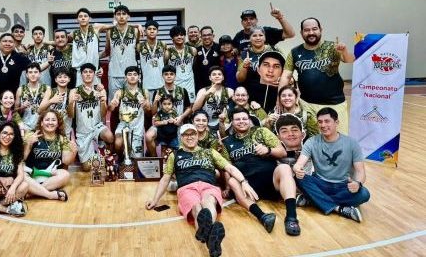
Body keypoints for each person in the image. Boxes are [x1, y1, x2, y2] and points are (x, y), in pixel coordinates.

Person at [145, 123, 257, 257]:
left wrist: (244, 182)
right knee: (196, 207)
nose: (189, 137)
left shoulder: (210, 152)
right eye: (186, 135)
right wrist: (155, 200)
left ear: (197, 136)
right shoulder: (175, 155)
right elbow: (166, 178)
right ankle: (212, 241)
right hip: (187, 187)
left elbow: (229, 168)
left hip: (208, 185)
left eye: (192, 134)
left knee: (208, 202)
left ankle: (205, 235)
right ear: (181, 137)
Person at [221, 107, 301, 236]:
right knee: (232, 181)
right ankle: (262, 217)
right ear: (232, 122)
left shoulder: (261, 131)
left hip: (271, 181)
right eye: (237, 119)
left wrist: (268, 150)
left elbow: (282, 152)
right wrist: (227, 187)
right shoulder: (227, 142)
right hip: (248, 188)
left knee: (285, 168)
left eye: (244, 118)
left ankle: (291, 217)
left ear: (249, 119)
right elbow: (227, 167)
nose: (241, 121)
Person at [293, 107, 370, 223]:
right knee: (299, 178)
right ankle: (339, 209)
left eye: (327, 121)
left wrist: (358, 183)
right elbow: (298, 164)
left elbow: (360, 171)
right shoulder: (312, 142)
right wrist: (297, 169)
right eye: (320, 122)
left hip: (343, 186)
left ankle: (313, 199)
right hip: (320, 183)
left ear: (336, 122)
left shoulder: (352, 143)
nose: (323, 125)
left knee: (364, 194)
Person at [279, 18, 355, 134]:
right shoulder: (295, 52)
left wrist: (344, 51)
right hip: (307, 105)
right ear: (301, 32)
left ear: (320, 30)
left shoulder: (332, 47)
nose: (311, 33)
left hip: (335, 104)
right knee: (313, 139)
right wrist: (279, 97)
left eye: (314, 29)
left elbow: (349, 59)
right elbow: (286, 76)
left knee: (339, 138)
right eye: (307, 30)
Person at [68, 63, 114, 170]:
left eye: (90, 72)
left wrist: (103, 102)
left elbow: (103, 114)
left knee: (109, 136)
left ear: (94, 74)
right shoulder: (74, 91)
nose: (88, 74)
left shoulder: (100, 90)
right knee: (86, 168)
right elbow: (71, 115)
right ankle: (95, 155)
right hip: (83, 132)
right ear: (81, 75)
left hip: (97, 127)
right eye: (85, 72)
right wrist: (71, 102)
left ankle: (107, 157)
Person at [24, 110, 77, 201]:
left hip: (50, 176)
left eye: (53, 120)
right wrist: (28, 144)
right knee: (22, 175)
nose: (50, 122)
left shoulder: (62, 139)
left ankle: (32, 192)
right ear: (41, 123)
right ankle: (49, 194)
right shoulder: (31, 135)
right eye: (47, 120)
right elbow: (22, 158)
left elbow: (66, 161)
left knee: (65, 175)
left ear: (58, 124)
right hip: (31, 174)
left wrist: (73, 152)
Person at [109, 66, 151, 158]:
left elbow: (149, 111)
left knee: (137, 159)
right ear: (125, 77)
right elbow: (111, 108)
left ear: (139, 77)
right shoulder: (120, 92)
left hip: (137, 127)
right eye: (129, 74)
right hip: (123, 125)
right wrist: (113, 104)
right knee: (118, 143)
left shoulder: (144, 92)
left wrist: (145, 104)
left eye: (135, 74)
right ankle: (120, 159)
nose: (132, 76)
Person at [237, 32, 283, 112]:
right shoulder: (248, 91)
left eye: (276, 66)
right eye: (266, 65)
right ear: (258, 69)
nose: (270, 70)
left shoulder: (284, 92)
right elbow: (240, 78)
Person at [106, 5, 141, 101]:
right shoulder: (109, 32)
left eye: (124, 14)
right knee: (114, 102)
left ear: (128, 16)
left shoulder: (135, 31)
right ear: (114, 17)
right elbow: (107, 51)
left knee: (131, 101)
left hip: (131, 73)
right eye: (118, 14)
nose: (121, 16)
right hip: (114, 73)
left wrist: (138, 25)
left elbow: (137, 49)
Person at [0, 33, 30, 102]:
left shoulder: (19, 57)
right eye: (4, 41)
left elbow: (34, 68)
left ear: (14, 44)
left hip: (11, 97)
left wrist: (47, 63)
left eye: (10, 42)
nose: (7, 44)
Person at [71, 8, 111, 86]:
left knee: (96, 92)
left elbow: (115, 26)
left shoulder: (95, 27)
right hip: (80, 72)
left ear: (90, 18)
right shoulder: (74, 33)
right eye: (80, 16)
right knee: (80, 93)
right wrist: (46, 42)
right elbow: (60, 42)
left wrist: (136, 25)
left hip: (94, 70)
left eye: (85, 16)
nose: (83, 18)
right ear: (77, 19)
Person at [193, 66, 234, 133]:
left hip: (225, 124)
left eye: (219, 74)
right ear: (210, 78)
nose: (217, 76)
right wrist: (205, 95)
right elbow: (194, 109)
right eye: (214, 74)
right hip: (206, 125)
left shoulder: (229, 91)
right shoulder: (203, 91)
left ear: (223, 77)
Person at [38, 67, 73, 138]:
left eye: (65, 77)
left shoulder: (72, 92)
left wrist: (71, 102)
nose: (62, 79)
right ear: (55, 80)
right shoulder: (50, 91)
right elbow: (39, 111)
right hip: (50, 129)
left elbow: (71, 115)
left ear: (69, 79)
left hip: (65, 130)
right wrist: (51, 101)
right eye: (59, 77)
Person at [166, 25, 197, 102]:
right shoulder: (168, 52)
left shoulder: (192, 50)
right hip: (175, 83)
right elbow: (165, 67)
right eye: (176, 35)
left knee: (191, 104)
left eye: (181, 35)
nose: (179, 37)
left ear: (185, 36)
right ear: (172, 38)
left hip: (189, 83)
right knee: (176, 104)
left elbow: (194, 64)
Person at [137, 19, 167, 101]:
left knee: (161, 106)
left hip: (161, 83)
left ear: (158, 31)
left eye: (154, 29)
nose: (152, 31)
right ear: (145, 31)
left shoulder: (163, 44)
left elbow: (165, 62)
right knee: (148, 107)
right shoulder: (140, 46)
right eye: (149, 29)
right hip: (146, 84)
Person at [15, 62, 48, 134]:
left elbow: (50, 109)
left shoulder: (47, 89)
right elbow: (15, 112)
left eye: (35, 72)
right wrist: (22, 107)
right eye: (30, 72)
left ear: (40, 74)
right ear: (26, 75)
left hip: (42, 126)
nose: (33, 74)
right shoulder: (20, 89)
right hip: (25, 126)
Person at [193, 26, 221, 93]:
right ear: (200, 37)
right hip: (200, 87)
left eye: (209, 35)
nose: (206, 37)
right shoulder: (196, 50)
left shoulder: (219, 48)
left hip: (216, 86)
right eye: (204, 35)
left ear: (213, 36)